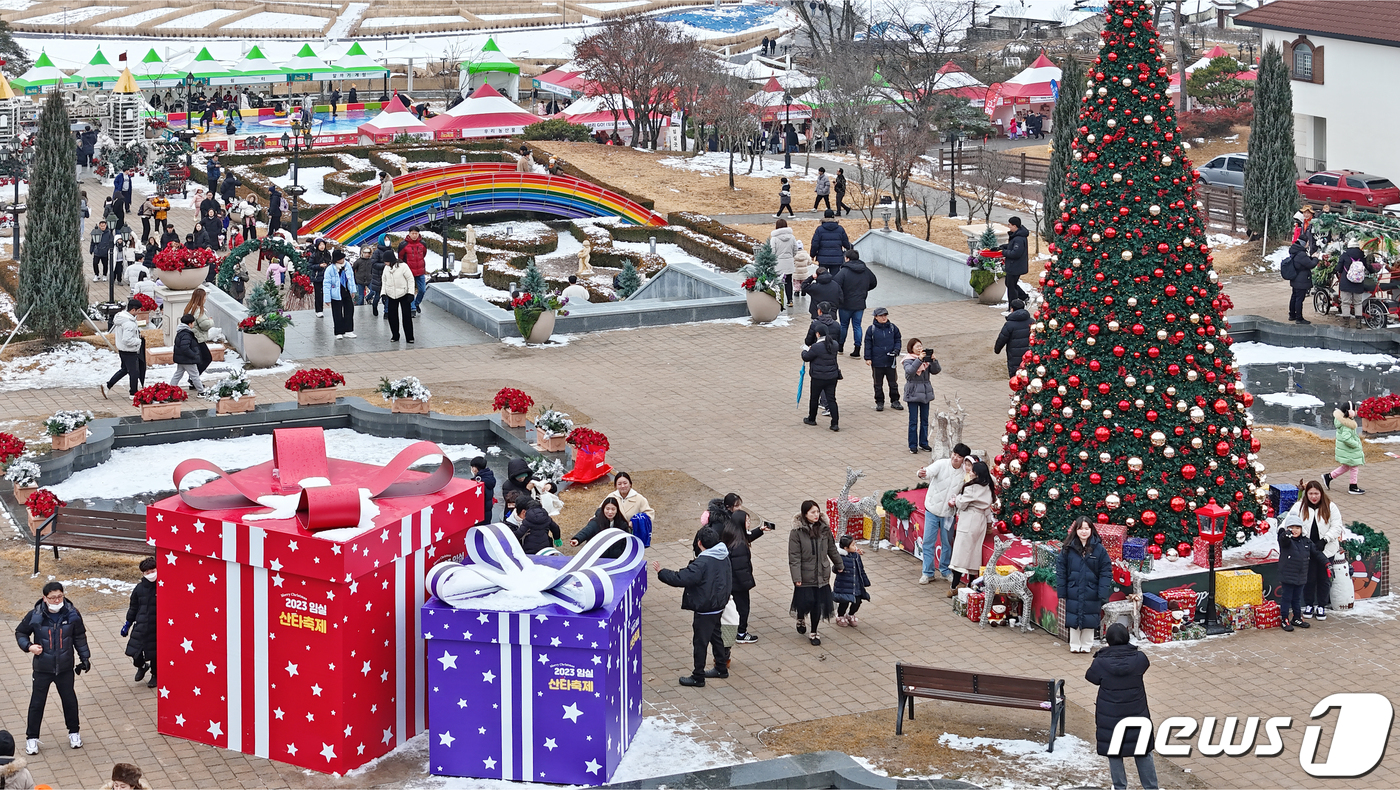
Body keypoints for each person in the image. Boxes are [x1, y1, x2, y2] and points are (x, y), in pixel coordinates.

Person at [15, 581, 90, 754]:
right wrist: (29, 646)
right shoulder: (35, 615)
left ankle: (74, 733)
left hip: (64, 668)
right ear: (45, 598)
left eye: (59, 597)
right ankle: (31, 738)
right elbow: (20, 632)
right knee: (37, 703)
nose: (57, 601)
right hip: (42, 668)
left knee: (69, 701)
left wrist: (84, 657)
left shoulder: (72, 614)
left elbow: (79, 636)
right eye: (53, 598)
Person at [653, 527, 732, 687]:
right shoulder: (723, 554)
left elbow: (681, 578)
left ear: (700, 543)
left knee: (700, 642)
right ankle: (721, 667)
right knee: (716, 635)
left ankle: (698, 676)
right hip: (719, 603)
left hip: (706, 607)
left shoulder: (703, 562)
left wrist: (661, 572)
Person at [1086, 623, 1159, 790]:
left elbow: (1091, 678)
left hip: (1110, 716)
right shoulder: (1139, 658)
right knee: (1142, 750)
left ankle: (1120, 787)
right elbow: (1144, 666)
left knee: (1114, 752)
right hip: (1137, 713)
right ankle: (1151, 787)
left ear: (1108, 640)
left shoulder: (1101, 662)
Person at [788, 500, 842, 646]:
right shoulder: (796, 533)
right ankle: (800, 617)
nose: (816, 515)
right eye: (812, 512)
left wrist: (839, 564)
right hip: (805, 575)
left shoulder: (824, 529)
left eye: (817, 511)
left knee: (817, 604)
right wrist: (796, 577)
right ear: (805, 514)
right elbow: (794, 557)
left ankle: (814, 632)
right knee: (805, 602)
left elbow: (832, 548)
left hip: (821, 574)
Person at [1057, 517, 1114, 653]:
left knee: (1090, 616)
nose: (1084, 531)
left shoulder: (1099, 549)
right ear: (1076, 530)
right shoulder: (1067, 548)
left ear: (1091, 530)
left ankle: (1087, 644)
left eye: (1086, 528)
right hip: (1073, 588)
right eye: (1081, 528)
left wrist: (1103, 591)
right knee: (1073, 614)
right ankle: (1074, 643)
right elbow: (1061, 570)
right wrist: (1062, 590)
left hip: (1091, 589)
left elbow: (1106, 571)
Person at [1288, 480, 1342, 620]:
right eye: (1311, 493)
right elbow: (1290, 522)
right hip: (1307, 550)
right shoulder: (1299, 506)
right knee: (1309, 579)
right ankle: (1309, 604)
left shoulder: (1331, 507)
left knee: (1323, 579)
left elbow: (1337, 527)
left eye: (1316, 493)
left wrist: (1325, 539)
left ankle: (1321, 605)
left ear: (1321, 493)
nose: (1313, 496)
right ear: (1307, 494)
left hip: (1326, 550)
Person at [917, 443, 969, 583]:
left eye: (959, 457)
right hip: (932, 510)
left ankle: (945, 570)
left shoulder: (965, 474)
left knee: (947, 543)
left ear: (964, 459)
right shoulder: (941, 464)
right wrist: (922, 473)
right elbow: (928, 472)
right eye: (954, 454)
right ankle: (927, 572)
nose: (955, 458)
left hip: (948, 514)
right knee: (928, 541)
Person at [720, 509, 770, 643]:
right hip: (738, 584)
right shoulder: (740, 546)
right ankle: (741, 633)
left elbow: (747, 536)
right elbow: (740, 568)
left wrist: (760, 530)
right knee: (743, 608)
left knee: (733, 607)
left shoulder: (730, 535)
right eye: (747, 521)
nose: (749, 523)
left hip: (729, 581)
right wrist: (747, 583)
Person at [947, 461, 996, 596]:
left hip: (968, 519)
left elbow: (962, 504)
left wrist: (956, 499)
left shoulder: (972, 487)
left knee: (960, 556)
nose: (970, 471)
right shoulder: (988, 486)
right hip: (980, 521)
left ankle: (954, 586)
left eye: (973, 470)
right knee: (974, 554)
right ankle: (971, 585)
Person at [121, 558, 158, 689]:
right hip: (141, 625)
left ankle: (155, 675)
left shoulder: (163, 586)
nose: (150, 574)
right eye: (147, 572)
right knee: (134, 651)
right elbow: (133, 607)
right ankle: (142, 666)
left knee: (155, 653)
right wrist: (128, 623)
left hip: (158, 627)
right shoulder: (139, 588)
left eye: (153, 571)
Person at [833, 250, 877, 355]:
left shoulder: (844, 271)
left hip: (845, 304)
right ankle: (857, 350)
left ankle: (840, 347)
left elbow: (835, 284)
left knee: (844, 325)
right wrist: (863, 290)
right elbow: (873, 282)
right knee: (857, 326)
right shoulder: (865, 270)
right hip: (860, 303)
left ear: (847, 258)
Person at [100, 299, 145, 399]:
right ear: (133, 310)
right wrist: (138, 341)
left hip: (123, 349)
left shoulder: (122, 318)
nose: (139, 312)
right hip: (129, 350)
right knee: (134, 372)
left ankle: (108, 385)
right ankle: (133, 393)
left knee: (125, 369)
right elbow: (127, 339)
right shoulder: (129, 323)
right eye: (138, 310)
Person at [902, 338, 939, 453]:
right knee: (913, 420)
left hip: (925, 393)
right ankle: (912, 445)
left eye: (920, 346)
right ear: (911, 348)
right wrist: (919, 359)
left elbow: (936, 370)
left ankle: (924, 443)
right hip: (913, 392)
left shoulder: (926, 361)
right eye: (917, 346)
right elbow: (910, 371)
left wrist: (933, 360)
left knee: (924, 419)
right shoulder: (908, 360)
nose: (920, 348)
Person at [802, 322, 841, 431]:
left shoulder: (816, 347)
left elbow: (806, 357)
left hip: (818, 377)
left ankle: (812, 418)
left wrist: (805, 351)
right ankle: (835, 423)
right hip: (832, 376)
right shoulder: (834, 344)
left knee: (814, 398)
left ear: (818, 334)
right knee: (831, 399)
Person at [1277, 514, 1314, 632]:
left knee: (1297, 598)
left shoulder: (1306, 541)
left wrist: (1326, 564)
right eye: (1291, 527)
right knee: (1286, 598)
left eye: (1297, 527)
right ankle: (1284, 619)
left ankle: (1297, 617)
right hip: (1288, 575)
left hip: (1301, 576)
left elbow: (1317, 553)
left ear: (1302, 529)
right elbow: (1283, 540)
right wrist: (1285, 535)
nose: (1295, 530)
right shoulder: (1287, 541)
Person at [863, 307, 902, 412]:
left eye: (885, 315)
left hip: (890, 362)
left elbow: (898, 340)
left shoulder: (893, 328)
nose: (884, 317)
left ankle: (895, 401)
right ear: (876, 317)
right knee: (877, 384)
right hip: (877, 362)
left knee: (893, 383)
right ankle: (879, 402)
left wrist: (896, 350)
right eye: (881, 316)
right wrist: (868, 358)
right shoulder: (871, 329)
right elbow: (868, 344)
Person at [1325, 401, 1365, 495]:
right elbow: (1346, 438)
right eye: (1355, 409)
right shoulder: (1347, 425)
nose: (1356, 411)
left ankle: (1329, 476)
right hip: (1349, 449)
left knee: (1347, 466)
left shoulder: (1343, 422)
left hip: (1346, 450)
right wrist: (1356, 444)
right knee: (1354, 467)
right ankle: (1353, 487)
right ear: (1350, 412)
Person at [1337, 241, 1379, 324]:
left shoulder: (1344, 256)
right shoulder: (1362, 256)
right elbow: (1368, 268)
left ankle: (1346, 322)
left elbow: (1338, 268)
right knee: (1358, 303)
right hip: (1359, 282)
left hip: (1346, 282)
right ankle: (1358, 322)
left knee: (1345, 302)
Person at [833, 535, 871, 627]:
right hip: (844, 585)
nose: (855, 547)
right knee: (844, 602)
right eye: (853, 545)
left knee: (857, 601)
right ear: (846, 548)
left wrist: (865, 581)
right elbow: (834, 569)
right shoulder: (840, 557)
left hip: (856, 584)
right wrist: (838, 568)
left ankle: (851, 614)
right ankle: (840, 615)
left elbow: (861, 569)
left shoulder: (857, 556)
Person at [381, 248, 415, 343]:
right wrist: (383, 293)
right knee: (392, 316)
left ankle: (410, 337)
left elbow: (410, 279)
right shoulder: (386, 268)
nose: (385, 263)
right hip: (391, 295)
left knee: (406, 316)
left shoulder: (403, 266)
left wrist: (410, 293)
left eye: (386, 261)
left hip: (404, 294)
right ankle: (395, 335)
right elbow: (384, 281)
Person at [994, 298, 1033, 377]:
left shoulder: (1009, 324)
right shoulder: (1031, 321)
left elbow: (1002, 339)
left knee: (1016, 378)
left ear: (1012, 309)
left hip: (1014, 357)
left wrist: (997, 350)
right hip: (1029, 355)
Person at [324, 249, 357, 339]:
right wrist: (327, 298)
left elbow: (351, 279)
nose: (343, 260)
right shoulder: (330, 269)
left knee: (349, 310)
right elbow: (326, 284)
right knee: (337, 313)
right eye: (340, 258)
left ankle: (348, 330)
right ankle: (339, 331)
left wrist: (353, 290)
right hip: (336, 293)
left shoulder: (347, 266)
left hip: (346, 291)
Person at [170, 314, 206, 394]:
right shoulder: (186, 334)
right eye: (193, 323)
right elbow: (185, 347)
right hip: (188, 359)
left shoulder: (180, 332)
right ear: (189, 324)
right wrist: (193, 355)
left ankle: (170, 389)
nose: (193, 325)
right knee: (195, 375)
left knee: (178, 374)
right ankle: (201, 391)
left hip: (181, 359)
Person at [1282, 241, 1316, 324]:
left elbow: (1304, 262)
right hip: (1301, 280)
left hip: (1295, 278)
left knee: (1294, 297)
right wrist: (1315, 258)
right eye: (1308, 242)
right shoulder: (1301, 254)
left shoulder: (1295, 251)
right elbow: (1310, 264)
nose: (1308, 243)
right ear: (1304, 243)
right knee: (1299, 299)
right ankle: (1299, 318)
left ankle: (1292, 314)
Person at [183, 288, 215, 375]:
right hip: (198, 338)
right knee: (207, 358)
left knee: (199, 360)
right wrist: (210, 321)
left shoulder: (189, 308)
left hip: (192, 337)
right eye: (205, 296)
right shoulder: (198, 310)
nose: (205, 298)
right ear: (201, 298)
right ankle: (193, 378)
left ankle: (194, 379)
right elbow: (204, 325)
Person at [398, 226, 429, 314]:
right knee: (410, 291)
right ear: (409, 233)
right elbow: (400, 258)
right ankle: (412, 309)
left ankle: (416, 303)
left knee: (422, 290)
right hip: (409, 272)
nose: (414, 235)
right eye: (412, 233)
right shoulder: (403, 245)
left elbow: (424, 254)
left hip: (420, 271)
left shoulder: (422, 244)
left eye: (416, 233)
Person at [1000, 216, 1029, 302]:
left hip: (1015, 266)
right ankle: (1024, 297)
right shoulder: (1017, 236)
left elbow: (1015, 253)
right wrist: (1002, 247)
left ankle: (1013, 306)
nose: (1009, 226)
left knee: (1011, 286)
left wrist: (1003, 252)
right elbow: (1011, 247)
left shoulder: (1019, 239)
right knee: (1010, 284)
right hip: (1014, 266)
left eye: (1010, 225)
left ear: (1015, 226)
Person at [770, 219, 797, 307]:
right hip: (789, 262)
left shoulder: (774, 238)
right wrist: (790, 256)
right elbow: (795, 249)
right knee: (788, 282)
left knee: (778, 283)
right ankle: (790, 300)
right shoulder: (792, 237)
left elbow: (772, 251)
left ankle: (779, 300)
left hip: (778, 263)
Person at [469, 457, 497, 524]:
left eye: (472, 467)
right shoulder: (489, 478)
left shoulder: (478, 483)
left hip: (479, 516)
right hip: (487, 513)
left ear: (475, 469)